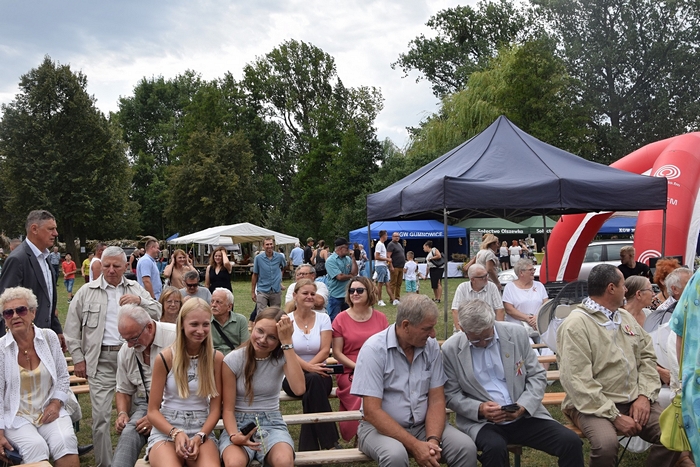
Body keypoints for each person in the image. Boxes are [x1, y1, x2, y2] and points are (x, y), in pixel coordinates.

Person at [557, 264, 679, 467]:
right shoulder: (576, 325)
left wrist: (644, 396)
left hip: (632, 399)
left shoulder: (624, 317)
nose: (627, 289)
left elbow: (647, 358)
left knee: (675, 433)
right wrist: (614, 416)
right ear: (611, 288)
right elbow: (577, 381)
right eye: (624, 285)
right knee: (606, 445)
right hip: (591, 405)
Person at [443, 299, 583, 467]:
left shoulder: (516, 334)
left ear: (493, 322)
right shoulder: (450, 349)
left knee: (570, 442)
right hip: (483, 423)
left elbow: (537, 376)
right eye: (475, 340)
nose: (482, 343)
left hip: (525, 416)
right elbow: (451, 394)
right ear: (462, 328)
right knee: (495, 448)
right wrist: (479, 409)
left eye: (487, 337)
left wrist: (522, 406)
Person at [351, 294, 477, 467]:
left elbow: (437, 399)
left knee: (465, 447)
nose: (433, 334)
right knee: (394, 455)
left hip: (423, 426)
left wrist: (433, 440)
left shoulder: (430, 346)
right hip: (378, 429)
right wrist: (416, 445)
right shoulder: (374, 350)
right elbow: (371, 412)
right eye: (427, 328)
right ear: (406, 326)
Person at [65, 246, 162, 467]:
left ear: (126, 266)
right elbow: (71, 329)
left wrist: (140, 301)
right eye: (106, 265)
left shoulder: (135, 288)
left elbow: (157, 311)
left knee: (130, 416)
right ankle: (105, 464)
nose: (110, 270)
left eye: (116, 266)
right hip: (101, 361)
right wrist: (79, 359)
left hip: (132, 360)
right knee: (100, 418)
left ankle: (128, 459)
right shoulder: (87, 291)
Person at [0, 286, 79, 467]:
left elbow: (62, 377)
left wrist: (55, 403)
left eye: (21, 310)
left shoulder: (49, 337)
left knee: (65, 440)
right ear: (4, 319)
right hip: (16, 416)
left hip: (48, 408)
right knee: (36, 446)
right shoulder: (1, 350)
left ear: (33, 312)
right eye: (8, 313)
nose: (15, 316)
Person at [218, 308, 304, 467]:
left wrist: (287, 343)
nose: (263, 340)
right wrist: (233, 435)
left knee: (284, 461)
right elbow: (228, 409)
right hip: (238, 423)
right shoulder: (234, 359)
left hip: (271, 422)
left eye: (272, 337)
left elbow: (299, 389)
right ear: (253, 326)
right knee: (234, 463)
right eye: (260, 331)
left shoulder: (282, 356)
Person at [146, 298, 223, 467]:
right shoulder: (166, 358)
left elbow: (216, 409)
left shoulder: (215, 359)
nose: (201, 331)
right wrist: (175, 433)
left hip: (201, 427)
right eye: (194, 324)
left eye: (205, 324)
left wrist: (201, 435)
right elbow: (152, 411)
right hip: (168, 428)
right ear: (182, 324)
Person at [113, 305, 177, 467]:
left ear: (149, 327)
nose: (128, 344)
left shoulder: (176, 337)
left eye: (133, 338)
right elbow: (123, 389)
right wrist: (122, 413)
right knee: (129, 433)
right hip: (148, 404)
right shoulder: (126, 350)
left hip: (180, 405)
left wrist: (156, 417)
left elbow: (194, 388)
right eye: (125, 339)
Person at [282, 279, 340, 450]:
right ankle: (330, 442)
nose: (309, 297)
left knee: (313, 382)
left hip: (321, 374)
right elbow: (287, 350)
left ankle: (310, 449)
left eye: (312, 294)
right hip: (293, 378)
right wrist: (307, 368)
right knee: (313, 379)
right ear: (295, 296)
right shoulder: (286, 320)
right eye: (305, 293)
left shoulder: (323, 318)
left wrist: (311, 367)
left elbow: (324, 350)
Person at [331, 276, 388, 442]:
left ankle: (377, 432)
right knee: (361, 392)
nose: (355, 293)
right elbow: (337, 353)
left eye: (359, 290)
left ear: (369, 292)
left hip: (377, 366)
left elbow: (385, 346)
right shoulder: (340, 318)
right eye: (351, 290)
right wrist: (359, 367)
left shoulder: (381, 318)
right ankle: (359, 433)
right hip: (350, 367)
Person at [0, 210, 63, 343]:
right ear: (34, 229)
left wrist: (56, 329)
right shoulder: (17, 260)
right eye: (51, 229)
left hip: (43, 336)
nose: (55, 234)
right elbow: (6, 305)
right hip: (24, 340)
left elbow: (47, 300)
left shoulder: (44, 258)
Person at [451, 263, 505, 331]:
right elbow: (455, 310)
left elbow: (499, 309)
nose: (487, 278)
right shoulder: (462, 288)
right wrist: (460, 331)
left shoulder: (492, 287)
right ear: (472, 279)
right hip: (468, 328)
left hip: (488, 328)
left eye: (486, 275)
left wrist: (498, 330)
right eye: (483, 277)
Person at [503, 258, 547, 333]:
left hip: (538, 325)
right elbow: (509, 309)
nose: (533, 272)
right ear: (521, 273)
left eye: (533, 269)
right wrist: (527, 318)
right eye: (530, 270)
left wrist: (537, 317)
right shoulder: (509, 287)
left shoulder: (539, 286)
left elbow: (546, 304)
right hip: (518, 328)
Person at [645, 267, 692, 333]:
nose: (694, 286)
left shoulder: (693, 302)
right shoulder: (664, 313)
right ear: (675, 289)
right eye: (689, 283)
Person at [325, 238, 358, 321]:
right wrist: (351, 276)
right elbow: (339, 277)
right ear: (340, 248)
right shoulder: (330, 260)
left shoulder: (347, 259)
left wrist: (353, 259)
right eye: (347, 248)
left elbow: (355, 273)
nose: (349, 250)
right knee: (333, 318)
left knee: (349, 318)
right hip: (336, 295)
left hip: (347, 294)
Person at [210, 288, 249, 355]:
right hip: (212, 358)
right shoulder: (206, 321)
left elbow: (245, 345)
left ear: (229, 307)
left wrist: (230, 358)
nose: (213, 305)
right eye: (212, 301)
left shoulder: (240, 320)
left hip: (234, 358)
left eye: (218, 302)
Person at [251, 237, 286, 310]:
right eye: (267, 244)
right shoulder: (258, 258)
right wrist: (253, 292)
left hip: (275, 289)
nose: (269, 246)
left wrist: (279, 278)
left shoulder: (279, 257)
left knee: (275, 313)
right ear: (263, 246)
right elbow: (255, 274)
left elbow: (284, 267)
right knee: (261, 313)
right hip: (262, 289)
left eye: (271, 244)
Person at [373, 230, 394, 307]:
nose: (387, 236)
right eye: (386, 235)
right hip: (380, 266)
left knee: (388, 284)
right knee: (380, 284)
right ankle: (379, 300)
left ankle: (393, 299)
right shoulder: (379, 244)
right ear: (383, 235)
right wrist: (387, 259)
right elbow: (377, 257)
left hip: (384, 266)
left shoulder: (382, 244)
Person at [387, 232, 406, 305]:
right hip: (395, 266)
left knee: (399, 283)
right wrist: (390, 266)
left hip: (401, 266)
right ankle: (392, 298)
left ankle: (397, 297)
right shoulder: (391, 244)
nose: (397, 237)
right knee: (393, 283)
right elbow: (388, 256)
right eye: (395, 236)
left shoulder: (399, 244)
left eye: (398, 236)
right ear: (392, 237)